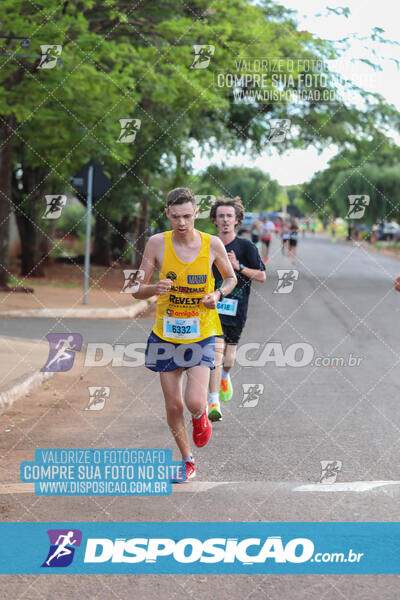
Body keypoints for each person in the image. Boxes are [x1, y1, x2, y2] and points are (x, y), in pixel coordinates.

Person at [132, 188, 237, 482]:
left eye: (188, 216)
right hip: (165, 335)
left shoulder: (211, 244)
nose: (182, 223)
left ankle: (200, 416)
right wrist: (155, 288)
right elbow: (135, 289)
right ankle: (187, 460)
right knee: (173, 404)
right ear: (167, 214)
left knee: (193, 401)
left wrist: (217, 294)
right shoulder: (156, 244)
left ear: (196, 214)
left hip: (201, 332)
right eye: (176, 217)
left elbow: (231, 278)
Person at [207, 197, 266, 421]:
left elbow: (261, 276)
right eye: (220, 216)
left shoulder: (245, 247)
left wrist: (238, 266)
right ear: (214, 219)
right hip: (211, 308)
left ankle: (224, 375)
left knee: (228, 358)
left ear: (237, 220)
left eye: (229, 216)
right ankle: (214, 402)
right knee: (215, 353)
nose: (225, 220)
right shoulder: (208, 245)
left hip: (236, 309)